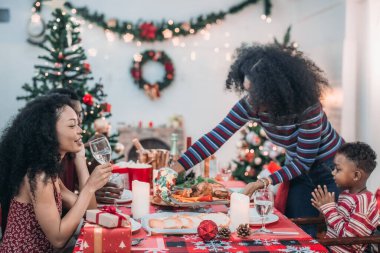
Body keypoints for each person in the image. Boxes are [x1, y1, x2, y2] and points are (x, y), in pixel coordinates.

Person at [171, 43, 344, 236]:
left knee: (335, 232)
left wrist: (262, 182)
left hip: (332, 169)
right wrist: (175, 168)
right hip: (297, 169)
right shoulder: (250, 105)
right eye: (247, 90)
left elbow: (304, 161)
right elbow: (214, 138)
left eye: (256, 93)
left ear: (274, 92)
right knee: (297, 230)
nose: (250, 99)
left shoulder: (308, 109)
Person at [0, 94, 112, 252]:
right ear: (49, 132)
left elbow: (90, 211)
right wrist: (89, 188)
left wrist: (81, 163)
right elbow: (58, 239)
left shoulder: (49, 172)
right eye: (72, 126)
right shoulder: (39, 176)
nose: (80, 131)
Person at [48, 88, 122, 204]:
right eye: (73, 119)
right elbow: (84, 197)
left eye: (80, 114)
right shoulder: (45, 168)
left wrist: (97, 151)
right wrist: (88, 194)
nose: (79, 121)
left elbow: (83, 182)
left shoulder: (71, 151)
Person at [311, 142, 379, 253]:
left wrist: (329, 210)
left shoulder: (364, 202)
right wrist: (324, 209)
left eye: (338, 169)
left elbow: (350, 240)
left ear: (356, 175)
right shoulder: (346, 194)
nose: (333, 173)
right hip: (330, 246)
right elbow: (337, 225)